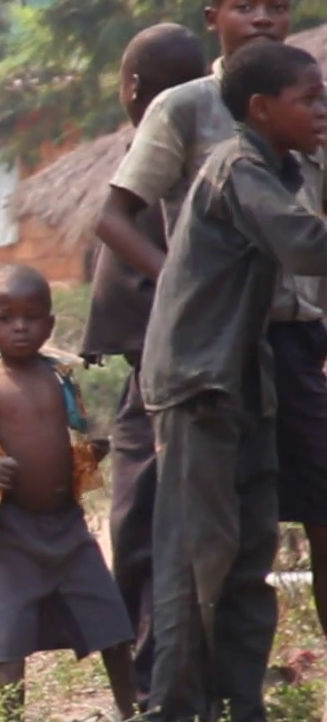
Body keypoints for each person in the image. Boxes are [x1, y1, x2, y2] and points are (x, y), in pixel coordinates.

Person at [97, 0, 327, 648]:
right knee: (207, 523)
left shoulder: (309, 105)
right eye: (245, 6)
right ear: (214, 18)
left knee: (314, 506)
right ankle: (190, 678)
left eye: (276, 6)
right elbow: (113, 217)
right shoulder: (186, 108)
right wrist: (184, 289)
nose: (262, 19)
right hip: (216, 347)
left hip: (295, 335)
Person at [143, 40, 327, 722]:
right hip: (198, 384)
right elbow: (305, 246)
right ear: (260, 108)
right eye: (309, 98)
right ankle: (174, 708)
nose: (322, 109)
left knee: (250, 554)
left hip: (243, 378)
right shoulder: (240, 166)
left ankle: (239, 704)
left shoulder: (278, 168)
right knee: (196, 558)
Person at [0, 264, 138, 722]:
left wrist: (90, 453)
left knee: (111, 624)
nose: (20, 327)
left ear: (49, 325)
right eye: (6, 318)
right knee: (9, 638)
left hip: (67, 525)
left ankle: (131, 711)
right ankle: (12, 715)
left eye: (31, 317)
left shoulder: (60, 377)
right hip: (11, 531)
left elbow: (68, 438)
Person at [79, 23, 207, 698]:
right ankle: (153, 674)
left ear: (132, 88)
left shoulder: (170, 161)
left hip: (168, 373)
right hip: (152, 370)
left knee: (143, 528)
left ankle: (155, 678)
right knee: (146, 525)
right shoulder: (177, 155)